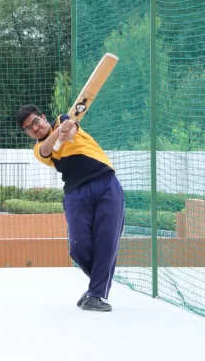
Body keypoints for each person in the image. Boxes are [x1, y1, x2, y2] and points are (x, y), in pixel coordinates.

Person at [16, 105, 125, 312]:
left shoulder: (64, 118)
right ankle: (97, 287)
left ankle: (96, 294)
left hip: (106, 183)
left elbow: (72, 129)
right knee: (78, 247)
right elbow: (48, 149)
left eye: (35, 122)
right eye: (29, 128)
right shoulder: (39, 149)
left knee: (106, 241)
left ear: (43, 117)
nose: (35, 128)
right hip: (76, 193)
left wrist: (66, 128)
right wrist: (59, 132)